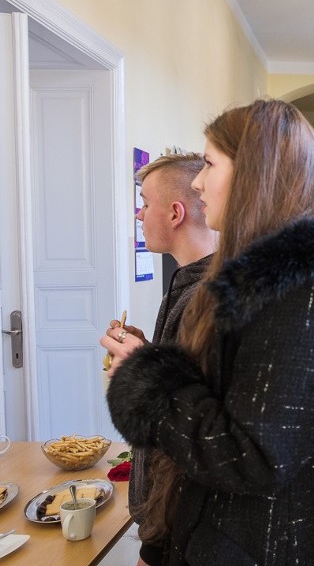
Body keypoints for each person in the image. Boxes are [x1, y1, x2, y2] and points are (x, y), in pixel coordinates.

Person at [100, 99, 314, 565]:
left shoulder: (300, 300)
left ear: (257, 176)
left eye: (210, 164)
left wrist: (145, 384)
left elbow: (254, 456)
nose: (198, 181)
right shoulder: (265, 289)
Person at [104, 153, 217, 566]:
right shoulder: (182, 286)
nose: (138, 213)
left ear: (174, 213)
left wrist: (140, 368)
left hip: (177, 514)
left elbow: (196, 423)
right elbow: (187, 374)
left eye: (145, 202)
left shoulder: (206, 296)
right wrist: (148, 349)